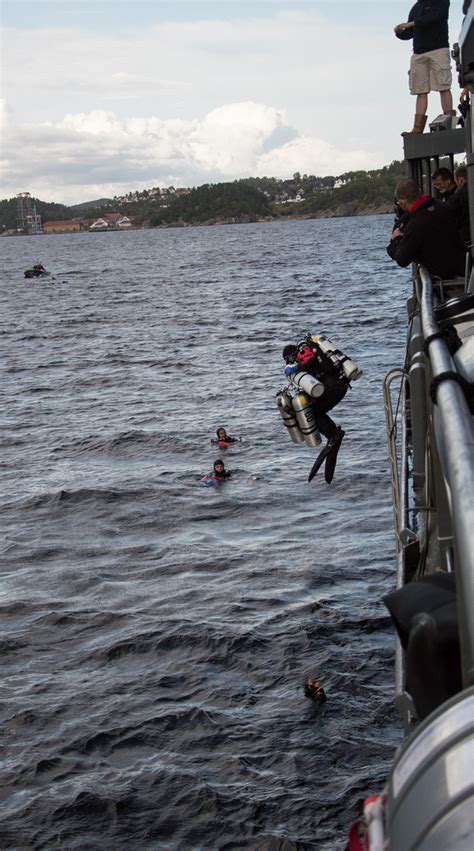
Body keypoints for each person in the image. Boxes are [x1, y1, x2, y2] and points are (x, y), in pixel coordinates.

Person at [283, 339, 348, 484]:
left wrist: (295, 367)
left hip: (332, 388)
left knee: (313, 411)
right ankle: (334, 435)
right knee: (313, 408)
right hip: (337, 386)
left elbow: (295, 370)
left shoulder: (304, 359)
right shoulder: (311, 354)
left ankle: (334, 435)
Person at [394, 0, 454, 136]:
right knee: (420, 90)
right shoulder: (416, 7)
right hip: (418, 52)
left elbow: (434, 18)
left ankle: (449, 122)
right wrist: (400, 32)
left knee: (443, 86)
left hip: (438, 48)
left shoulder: (442, 2)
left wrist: (412, 23)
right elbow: (410, 32)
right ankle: (417, 128)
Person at [387, 177, 466, 279]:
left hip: (447, 277)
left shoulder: (415, 225)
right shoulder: (445, 207)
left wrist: (396, 239)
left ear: (402, 201)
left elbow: (402, 259)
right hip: (465, 268)